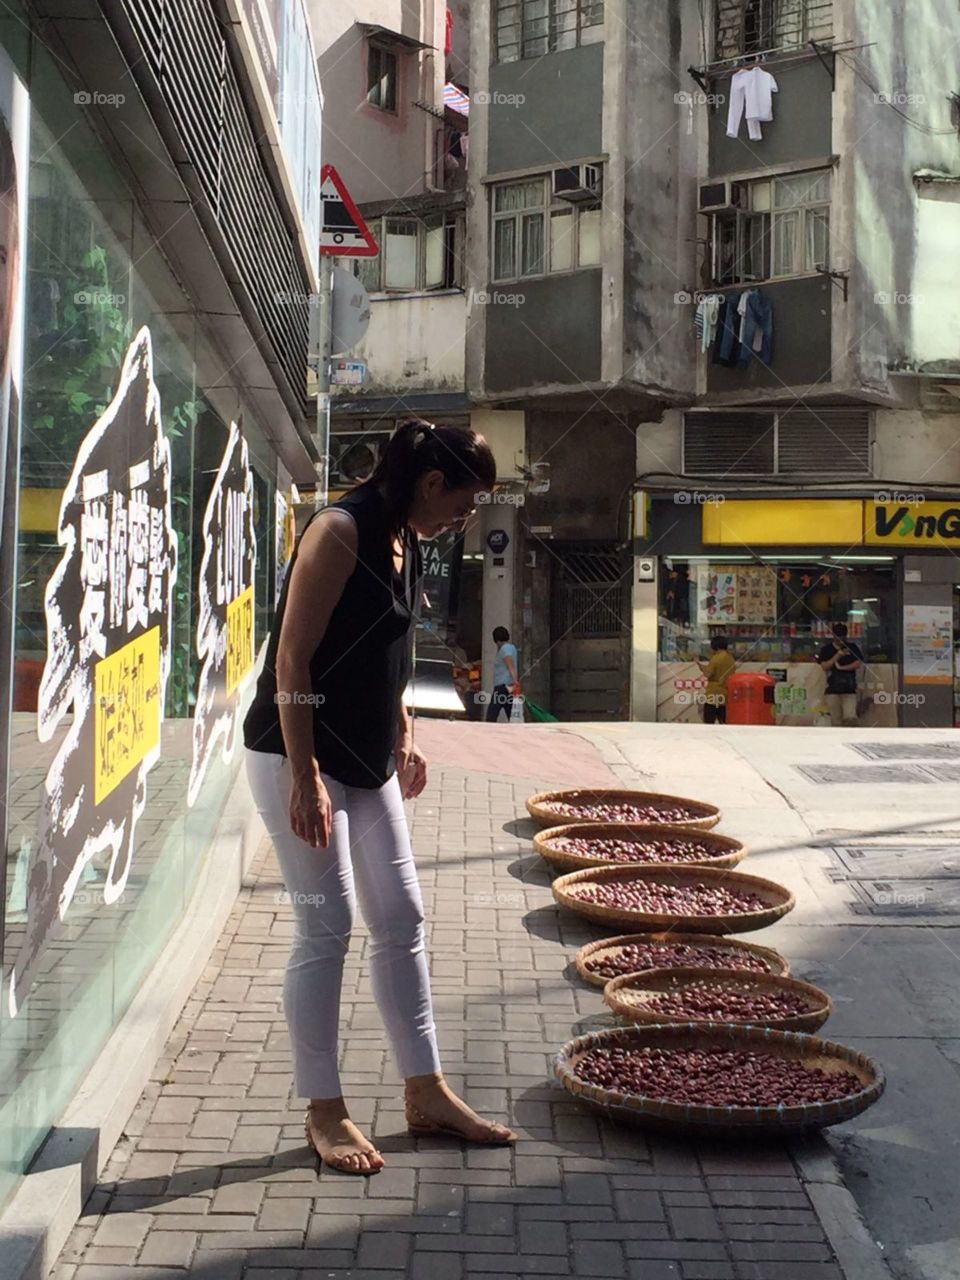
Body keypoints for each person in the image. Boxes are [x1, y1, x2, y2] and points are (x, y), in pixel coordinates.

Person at [243, 419, 515, 1177]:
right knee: (324, 926)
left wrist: (404, 728)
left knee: (400, 915)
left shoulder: (406, 536)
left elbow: (386, 647)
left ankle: (425, 1091)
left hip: (367, 760)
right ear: (432, 483)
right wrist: (304, 778)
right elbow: (292, 658)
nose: (464, 520)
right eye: (463, 505)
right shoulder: (340, 530)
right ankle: (323, 1109)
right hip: (293, 751)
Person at [817, 622, 864, 726]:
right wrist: (837, 656)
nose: (841, 640)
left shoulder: (852, 647)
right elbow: (824, 666)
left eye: (843, 637)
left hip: (849, 689)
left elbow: (858, 663)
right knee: (836, 720)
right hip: (832, 689)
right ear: (833, 636)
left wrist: (842, 668)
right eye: (838, 637)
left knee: (850, 718)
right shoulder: (826, 649)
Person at [486, 626, 521, 722]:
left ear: (496, 640)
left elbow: (510, 666)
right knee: (511, 714)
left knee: (491, 715)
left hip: (502, 687)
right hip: (508, 686)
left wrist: (515, 682)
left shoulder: (504, 649)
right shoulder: (512, 648)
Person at [698, 635, 736, 724]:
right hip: (725, 694)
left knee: (709, 722)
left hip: (713, 695)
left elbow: (708, 674)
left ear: (715, 646)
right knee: (723, 722)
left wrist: (700, 666)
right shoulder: (730, 658)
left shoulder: (716, 658)